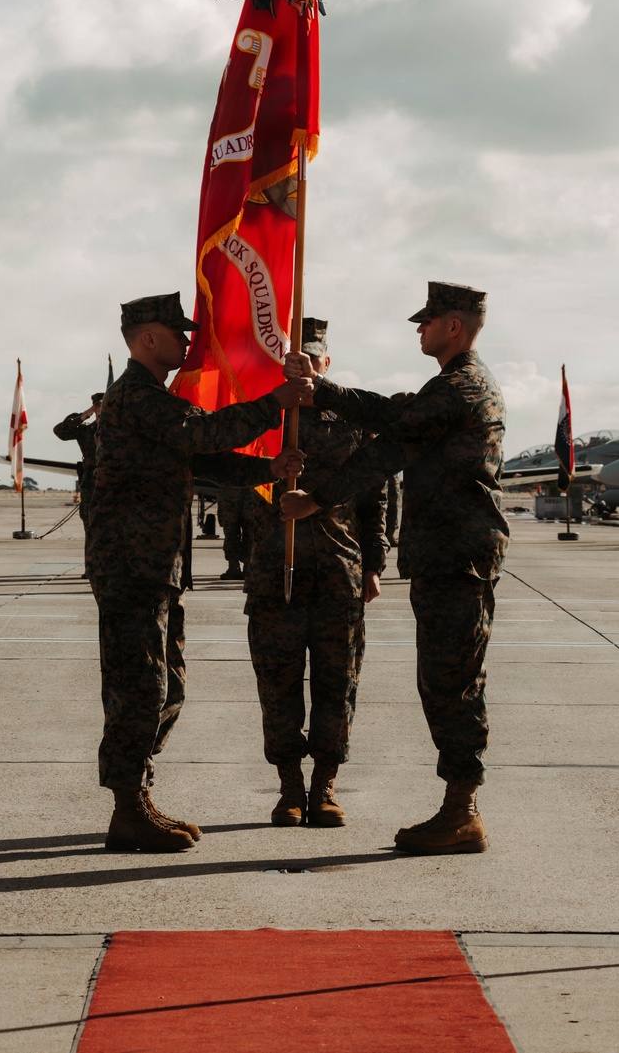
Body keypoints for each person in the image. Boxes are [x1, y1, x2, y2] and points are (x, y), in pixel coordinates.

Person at [282, 282, 507, 856]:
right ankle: (460, 807)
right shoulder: (450, 386)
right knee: (443, 679)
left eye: (428, 321)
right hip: (447, 553)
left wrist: (318, 495)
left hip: (458, 555)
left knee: (453, 682)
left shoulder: (461, 387)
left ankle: (462, 811)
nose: (419, 329)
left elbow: (389, 447)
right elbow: (392, 412)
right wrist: (323, 390)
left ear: (452, 326)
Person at [86, 292, 311, 854]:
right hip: (132, 565)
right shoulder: (135, 396)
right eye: (177, 331)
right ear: (148, 339)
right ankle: (127, 808)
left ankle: (137, 796)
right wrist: (277, 401)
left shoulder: (151, 401)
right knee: (140, 687)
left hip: (154, 564)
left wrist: (268, 466)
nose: (188, 342)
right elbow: (205, 435)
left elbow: (201, 457)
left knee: (166, 687)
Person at [246, 317, 387, 828]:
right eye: (293, 361)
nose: (303, 368)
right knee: (277, 683)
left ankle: (325, 785)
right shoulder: (262, 420)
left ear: (326, 365)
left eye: (312, 360)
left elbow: (376, 496)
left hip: (338, 571)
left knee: (337, 682)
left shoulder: (351, 421)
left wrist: (374, 563)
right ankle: (288, 786)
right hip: (272, 571)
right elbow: (233, 481)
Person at [54, 392, 104, 576]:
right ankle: (91, 568)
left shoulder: (118, 429)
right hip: (91, 481)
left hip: (113, 481)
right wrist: (85, 414)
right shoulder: (85, 430)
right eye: (97, 407)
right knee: (89, 525)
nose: (101, 410)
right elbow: (60, 431)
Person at [216, 484, 253, 580]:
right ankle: (237, 566)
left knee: (248, 529)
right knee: (232, 530)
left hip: (237, 487)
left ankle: (242, 566)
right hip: (237, 488)